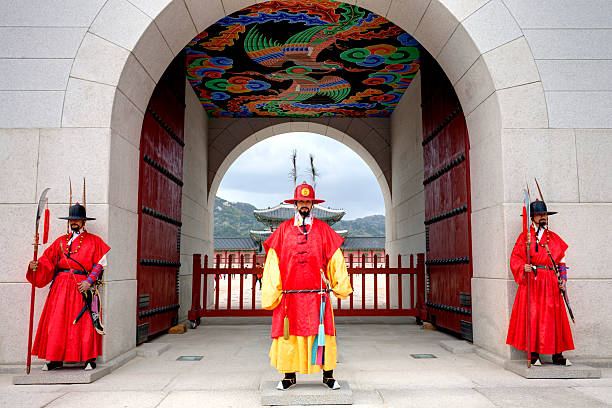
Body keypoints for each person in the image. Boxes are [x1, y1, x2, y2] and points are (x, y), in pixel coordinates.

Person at [262, 182, 352, 390]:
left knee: (323, 333)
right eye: (301, 201)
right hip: (289, 296)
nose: (304, 204)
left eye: (308, 201)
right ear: (295, 203)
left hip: (317, 295)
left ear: (312, 204)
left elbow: (335, 259)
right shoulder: (283, 230)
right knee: (289, 335)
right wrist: (273, 290)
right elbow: (273, 262)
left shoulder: (323, 229)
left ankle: (328, 375)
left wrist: (340, 285)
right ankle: (289, 376)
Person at [27, 201, 110, 371]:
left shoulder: (94, 241)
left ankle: (89, 358)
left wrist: (88, 282)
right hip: (60, 288)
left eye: (78, 220)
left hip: (82, 287)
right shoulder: (59, 242)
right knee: (57, 323)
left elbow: (100, 264)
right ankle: (55, 359)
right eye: (71, 219)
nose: (74, 222)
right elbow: (46, 261)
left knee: (84, 322)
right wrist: (36, 266)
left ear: (84, 222)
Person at [506, 200, 574, 365]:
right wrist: (524, 266)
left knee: (555, 317)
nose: (543, 217)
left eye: (544, 214)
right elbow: (515, 258)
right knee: (534, 316)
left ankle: (557, 354)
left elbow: (561, 262)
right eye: (539, 215)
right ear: (532, 218)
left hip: (551, 281)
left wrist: (563, 280)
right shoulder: (525, 237)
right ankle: (534, 353)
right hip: (534, 282)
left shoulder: (554, 238)